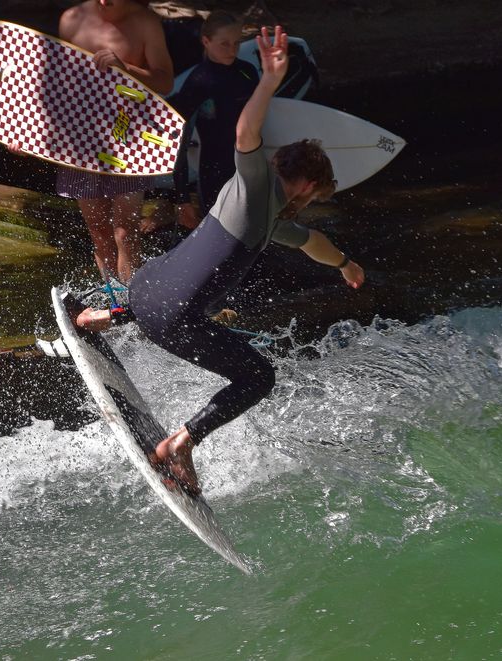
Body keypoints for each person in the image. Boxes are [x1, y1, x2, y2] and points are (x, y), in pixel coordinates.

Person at [75, 26, 365, 495]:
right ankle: (182, 443)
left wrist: (344, 263)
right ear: (308, 187)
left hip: (140, 290)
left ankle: (102, 315)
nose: (309, 206)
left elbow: (313, 242)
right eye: (313, 198)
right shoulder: (254, 190)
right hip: (168, 320)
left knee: (190, 281)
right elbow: (246, 132)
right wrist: (270, 80)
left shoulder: (257, 208)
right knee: (259, 376)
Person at [56, 0, 174, 284]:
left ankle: (131, 304)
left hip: (127, 135)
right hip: (81, 138)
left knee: (126, 231)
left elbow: (165, 81)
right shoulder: (71, 18)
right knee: (98, 230)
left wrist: (125, 68)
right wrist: (27, 131)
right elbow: (56, 81)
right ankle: (112, 300)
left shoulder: (146, 22)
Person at [167, 10, 259, 229]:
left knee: (253, 235)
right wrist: (182, 199)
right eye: (224, 44)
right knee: (220, 234)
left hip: (250, 166)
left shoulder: (248, 72)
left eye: (237, 43)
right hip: (214, 171)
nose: (232, 50)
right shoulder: (199, 82)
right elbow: (178, 140)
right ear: (206, 41)